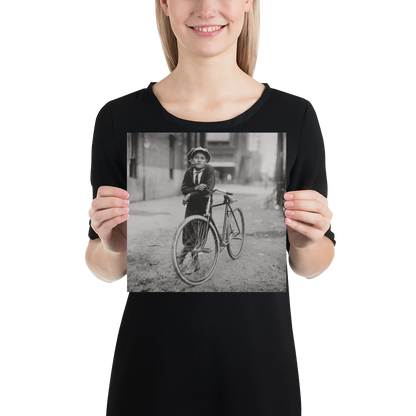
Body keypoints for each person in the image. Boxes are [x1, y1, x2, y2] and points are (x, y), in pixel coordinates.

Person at [84, 1, 338, 414]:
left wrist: (307, 239)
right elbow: (103, 267)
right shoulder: (116, 116)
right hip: (150, 380)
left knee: (210, 223)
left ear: (250, 3)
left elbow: (315, 265)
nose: (206, 7)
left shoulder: (298, 115)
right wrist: (112, 245)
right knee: (191, 234)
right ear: (164, 4)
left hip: (260, 381)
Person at [178, 147, 215, 272]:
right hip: (191, 207)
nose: (199, 160)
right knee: (189, 232)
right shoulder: (189, 172)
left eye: (202, 158)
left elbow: (208, 191)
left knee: (198, 236)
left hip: (204, 206)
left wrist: (190, 194)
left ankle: (184, 259)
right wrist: (196, 188)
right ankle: (188, 260)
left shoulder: (209, 170)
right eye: (196, 157)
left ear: (206, 161)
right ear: (192, 160)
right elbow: (183, 188)